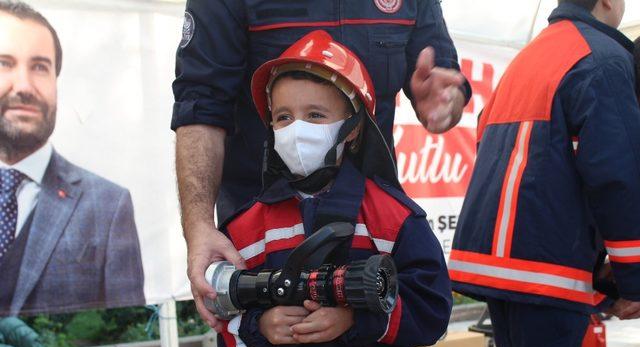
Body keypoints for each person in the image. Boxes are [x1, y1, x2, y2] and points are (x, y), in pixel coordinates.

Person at [171, 0, 471, 330]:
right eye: (284, 116)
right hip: (261, 238)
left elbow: (444, 80)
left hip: (371, 230)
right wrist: (198, 227)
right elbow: (200, 106)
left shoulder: (400, 224)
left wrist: (445, 101)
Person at [213, 30, 452, 347]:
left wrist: (358, 318)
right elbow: (223, 322)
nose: (296, 129)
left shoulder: (392, 217)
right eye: (284, 117)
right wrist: (261, 327)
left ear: (354, 127)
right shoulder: (245, 228)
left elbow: (433, 309)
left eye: (315, 116)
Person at [449, 0, 640, 347]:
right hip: (543, 266)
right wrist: (633, 279)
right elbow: (617, 176)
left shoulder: (531, 56)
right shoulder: (602, 59)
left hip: (499, 263)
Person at [0, 1, 144, 316]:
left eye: (39, 66)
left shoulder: (108, 206)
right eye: (4, 63)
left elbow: (124, 324)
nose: (24, 86)